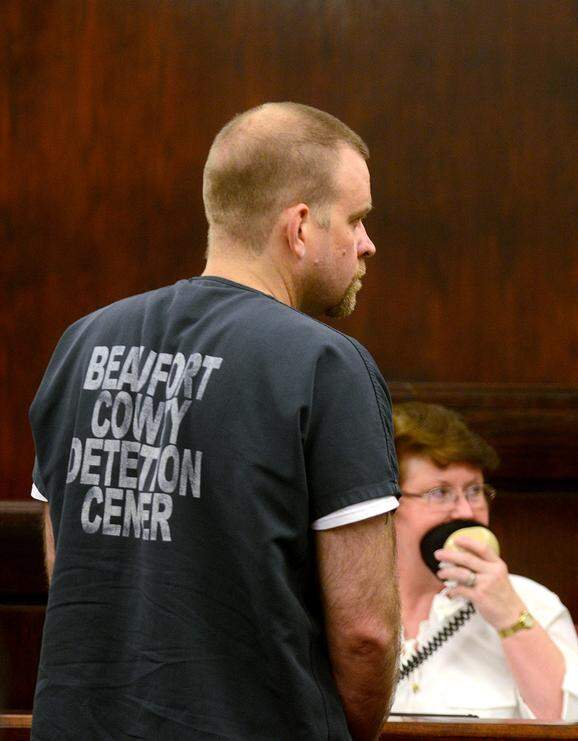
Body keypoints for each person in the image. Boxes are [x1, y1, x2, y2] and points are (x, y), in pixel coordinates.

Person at [29, 102, 401, 740]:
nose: (367, 243)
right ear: (301, 226)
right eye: (358, 219)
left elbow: (68, 562)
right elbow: (366, 635)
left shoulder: (81, 343)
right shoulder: (326, 367)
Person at [389, 402, 578, 721]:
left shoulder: (531, 602)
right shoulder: (338, 607)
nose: (466, 512)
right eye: (440, 493)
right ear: (388, 504)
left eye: (475, 491)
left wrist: (510, 616)